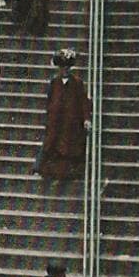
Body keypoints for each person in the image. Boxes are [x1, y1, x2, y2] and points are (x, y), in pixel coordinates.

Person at [36, 49, 90, 180]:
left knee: (69, 145)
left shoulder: (77, 83)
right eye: (62, 67)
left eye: (67, 67)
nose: (64, 70)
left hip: (71, 120)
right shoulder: (54, 82)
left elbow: (84, 101)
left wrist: (86, 119)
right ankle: (49, 170)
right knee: (53, 144)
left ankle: (69, 172)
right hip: (57, 120)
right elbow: (50, 100)